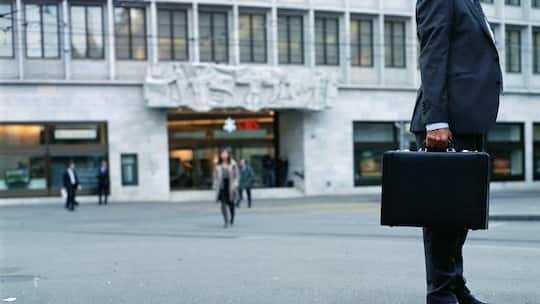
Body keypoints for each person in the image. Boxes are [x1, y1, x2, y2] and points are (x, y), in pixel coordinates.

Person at [411, 1, 502, 304]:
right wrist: (436, 121)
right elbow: (433, 56)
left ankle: (453, 284)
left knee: (459, 215)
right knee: (442, 216)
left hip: (468, 119)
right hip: (448, 123)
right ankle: (440, 293)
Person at [212, 149, 239, 228]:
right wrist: (215, 184)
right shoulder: (217, 165)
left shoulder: (233, 163)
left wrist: (235, 184)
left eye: (225, 153)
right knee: (223, 204)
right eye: (222, 154)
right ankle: (226, 221)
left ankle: (232, 218)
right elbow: (215, 176)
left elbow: (237, 175)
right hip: (222, 187)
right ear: (220, 155)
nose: (223, 155)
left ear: (228, 155)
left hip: (231, 186)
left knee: (231, 204)